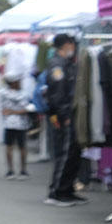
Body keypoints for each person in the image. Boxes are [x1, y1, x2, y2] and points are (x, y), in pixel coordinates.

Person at [43, 33, 87, 206]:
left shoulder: (66, 64)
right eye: (72, 44)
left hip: (70, 114)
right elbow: (57, 95)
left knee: (73, 153)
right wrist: (64, 116)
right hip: (65, 115)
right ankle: (57, 192)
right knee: (65, 154)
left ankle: (67, 190)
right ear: (66, 45)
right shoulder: (57, 65)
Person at [0, 70, 31, 179]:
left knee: (9, 147)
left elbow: (4, 110)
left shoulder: (2, 93)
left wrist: (11, 111)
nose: (20, 82)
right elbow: (25, 109)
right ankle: (23, 170)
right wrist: (17, 111)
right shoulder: (23, 94)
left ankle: (10, 171)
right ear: (13, 82)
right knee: (22, 147)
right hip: (21, 124)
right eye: (18, 80)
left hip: (8, 123)